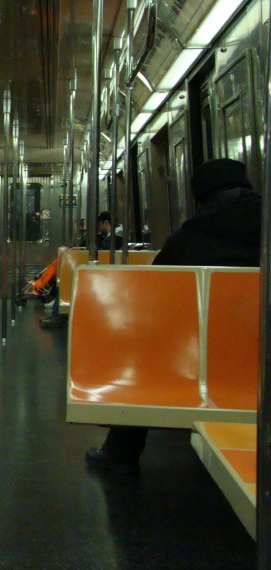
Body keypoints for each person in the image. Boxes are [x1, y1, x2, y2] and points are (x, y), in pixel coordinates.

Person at [85, 158, 262, 475]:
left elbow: (155, 302)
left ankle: (121, 452)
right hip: (259, 356)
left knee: (145, 355)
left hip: (197, 360)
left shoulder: (187, 242)